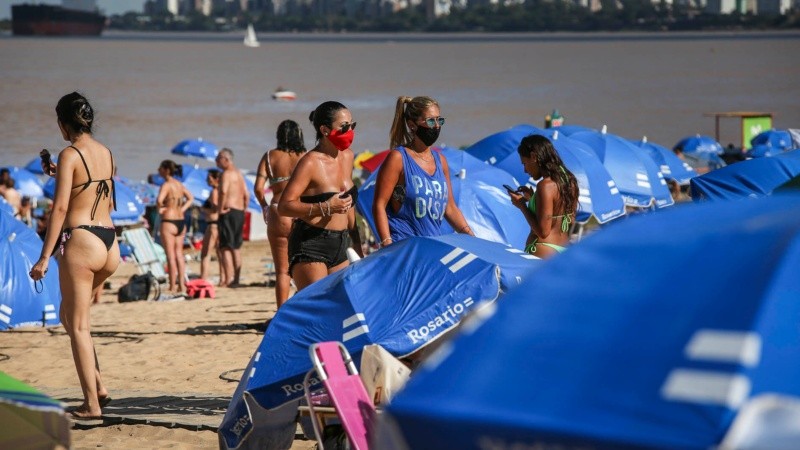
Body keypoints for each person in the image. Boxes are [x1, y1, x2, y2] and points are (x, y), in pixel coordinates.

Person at [29, 92, 119, 420]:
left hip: (82, 242)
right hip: (109, 244)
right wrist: (60, 174)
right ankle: (99, 386)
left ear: (64, 124)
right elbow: (103, 194)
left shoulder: (69, 154)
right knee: (69, 316)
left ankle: (92, 405)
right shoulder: (106, 152)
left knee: (78, 326)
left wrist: (44, 256)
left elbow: (60, 209)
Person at [278, 101, 364, 291]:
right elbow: (284, 206)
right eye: (344, 127)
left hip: (341, 243)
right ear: (325, 130)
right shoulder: (310, 162)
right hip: (312, 243)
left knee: (340, 304)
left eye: (352, 125)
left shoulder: (348, 156)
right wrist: (325, 207)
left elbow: (349, 206)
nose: (350, 131)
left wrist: (357, 243)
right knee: (316, 304)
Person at [372, 96, 473, 248]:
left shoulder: (441, 161)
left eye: (439, 120)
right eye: (431, 121)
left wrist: (472, 238)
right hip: (404, 246)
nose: (436, 126)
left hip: (431, 247)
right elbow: (379, 204)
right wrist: (387, 243)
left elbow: (450, 208)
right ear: (412, 125)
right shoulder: (398, 158)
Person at [254, 119, 307, 308]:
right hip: (301, 210)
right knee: (304, 266)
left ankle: (281, 314)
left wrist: (264, 207)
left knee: (282, 271)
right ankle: (303, 308)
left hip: (278, 210)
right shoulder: (306, 157)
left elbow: (258, 189)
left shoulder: (270, 156)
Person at [507, 134, 579, 258]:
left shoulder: (545, 186)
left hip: (543, 250)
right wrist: (534, 199)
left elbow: (543, 232)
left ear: (534, 157)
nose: (525, 170)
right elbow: (570, 219)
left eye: (524, 163)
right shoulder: (570, 180)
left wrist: (522, 205)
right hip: (564, 251)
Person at [156, 160, 193, 294]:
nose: (158, 170)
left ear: (166, 170)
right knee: (179, 255)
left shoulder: (166, 185)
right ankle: (181, 285)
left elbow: (159, 200)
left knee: (170, 256)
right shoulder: (179, 184)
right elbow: (191, 198)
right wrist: (182, 209)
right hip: (180, 220)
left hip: (169, 220)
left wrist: (160, 208)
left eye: (160, 168)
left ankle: (172, 285)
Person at [215, 148, 249, 287]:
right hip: (239, 211)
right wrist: (243, 208)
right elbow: (246, 194)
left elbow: (223, 191)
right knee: (236, 247)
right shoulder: (239, 174)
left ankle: (228, 279)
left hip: (228, 212)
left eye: (218, 158)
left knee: (225, 247)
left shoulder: (226, 174)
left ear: (226, 159)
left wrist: (219, 209)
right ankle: (236, 279)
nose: (216, 161)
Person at [200, 169, 223, 283]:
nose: (207, 180)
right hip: (219, 224)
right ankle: (223, 278)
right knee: (220, 253)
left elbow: (215, 208)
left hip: (213, 224)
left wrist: (203, 209)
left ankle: (203, 278)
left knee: (205, 254)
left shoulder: (214, 191)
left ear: (216, 179)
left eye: (209, 178)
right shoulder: (222, 191)